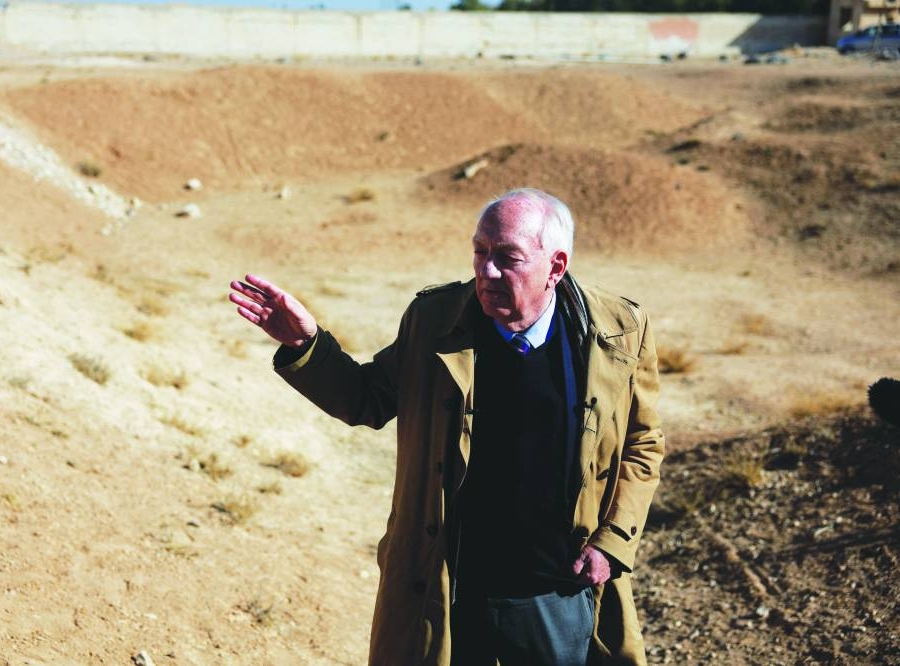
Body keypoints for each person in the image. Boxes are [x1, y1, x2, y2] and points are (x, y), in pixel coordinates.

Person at [229, 188, 665, 666]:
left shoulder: (618, 328)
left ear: (555, 267)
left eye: (507, 257)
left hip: (554, 592)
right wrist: (306, 345)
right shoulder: (435, 320)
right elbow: (366, 399)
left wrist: (612, 542)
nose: (486, 270)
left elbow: (643, 443)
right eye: (480, 251)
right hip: (451, 587)